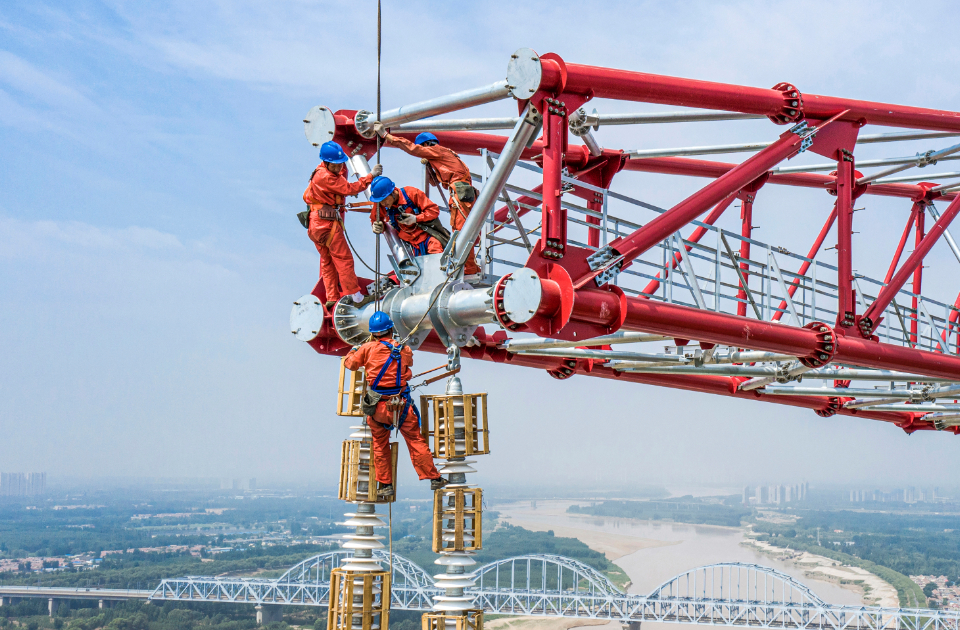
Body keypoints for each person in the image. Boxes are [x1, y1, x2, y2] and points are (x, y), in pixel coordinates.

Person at [343, 311, 448, 499]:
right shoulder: (402, 349)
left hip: (378, 407)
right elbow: (409, 362)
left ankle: (385, 485)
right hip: (400, 405)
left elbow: (350, 364)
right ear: (391, 329)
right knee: (415, 441)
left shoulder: (366, 349)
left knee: (380, 445)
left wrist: (354, 349)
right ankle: (434, 478)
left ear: (373, 333)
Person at [374, 124, 481, 276]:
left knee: (462, 232)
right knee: (464, 231)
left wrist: (387, 136)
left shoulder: (437, 150)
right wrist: (428, 165)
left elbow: (413, 149)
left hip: (460, 194)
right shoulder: (444, 155)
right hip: (463, 193)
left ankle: (469, 269)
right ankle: (470, 268)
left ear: (426, 145)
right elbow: (434, 182)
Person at [303, 141, 382, 309]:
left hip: (315, 224)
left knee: (328, 262)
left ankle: (331, 297)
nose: (339, 167)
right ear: (327, 162)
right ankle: (356, 297)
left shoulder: (320, 170)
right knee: (344, 260)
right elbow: (350, 189)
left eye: (341, 164)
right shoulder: (325, 177)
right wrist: (371, 176)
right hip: (326, 224)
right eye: (336, 165)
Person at [369, 176, 445, 256]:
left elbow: (433, 210)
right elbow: (375, 220)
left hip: (427, 237)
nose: (383, 203)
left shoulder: (411, 193)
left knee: (436, 259)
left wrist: (415, 218)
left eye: (385, 199)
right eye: (380, 201)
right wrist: (377, 226)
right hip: (409, 247)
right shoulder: (381, 205)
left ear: (392, 192)